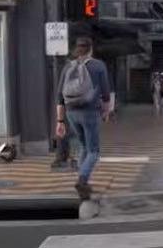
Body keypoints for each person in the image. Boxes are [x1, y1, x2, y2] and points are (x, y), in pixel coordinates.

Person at [55, 37, 111, 201]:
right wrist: (106, 112)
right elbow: (106, 93)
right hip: (89, 112)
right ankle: (82, 179)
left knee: (83, 146)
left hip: (71, 113)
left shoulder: (67, 67)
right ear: (90, 49)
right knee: (94, 150)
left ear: (76, 49)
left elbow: (59, 97)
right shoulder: (98, 65)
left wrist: (59, 121)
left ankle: (83, 182)